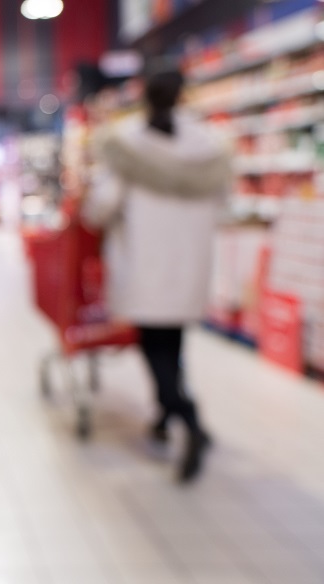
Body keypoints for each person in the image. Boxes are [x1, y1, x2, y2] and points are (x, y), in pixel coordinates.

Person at [82, 68, 232, 483]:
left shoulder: (127, 146)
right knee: (174, 343)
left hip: (145, 263)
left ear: (143, 96)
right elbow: (224, 199)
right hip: (190, 264)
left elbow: (101, 207)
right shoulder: (207, 146)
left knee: (154, 348)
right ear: (183, 96)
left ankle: (189, 420)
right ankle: (165, 417)